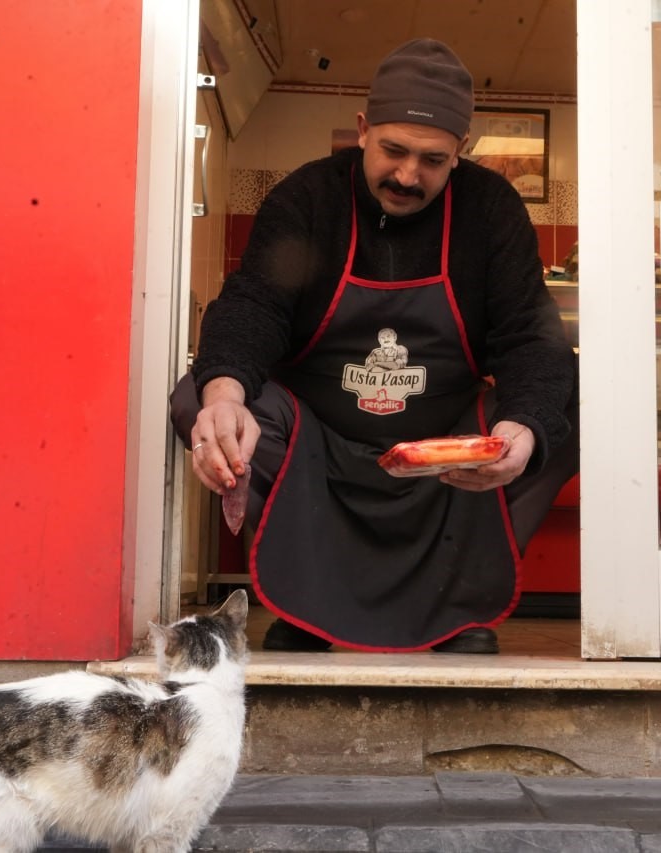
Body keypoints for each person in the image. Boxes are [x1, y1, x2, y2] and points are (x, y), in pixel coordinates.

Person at [171, 38, 578, 654]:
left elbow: (529, 334)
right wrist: (223, 393)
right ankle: (305, 608)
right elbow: (253, 304)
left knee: (568, 410)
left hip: (447, 452)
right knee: (195, 399)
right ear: (362, 130)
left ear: (461, 153)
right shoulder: (308, 199)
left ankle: (460, 609)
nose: (408, 176)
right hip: (317, 441)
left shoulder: (491, 212)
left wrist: (523, 428)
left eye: (433, 160)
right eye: (393, 150)